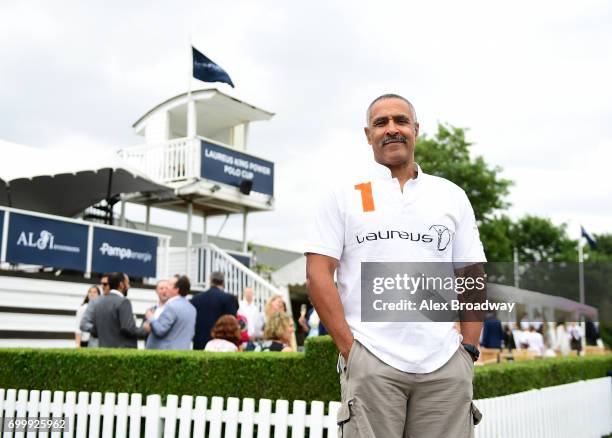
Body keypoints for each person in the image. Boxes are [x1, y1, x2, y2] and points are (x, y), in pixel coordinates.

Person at [305, 94, 486, 437]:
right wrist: (351, 350)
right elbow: (317, 273)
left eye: (400, 121)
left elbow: (471, 274)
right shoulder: (343, 194)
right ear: (367, 134)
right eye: (381, 123)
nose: (391, 129)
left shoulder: (450, 195)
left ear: (416, 129)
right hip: (372, 358)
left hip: (444, 364)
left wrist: (469, 349)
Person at [90, 272, 146, 348]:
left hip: (103, 353)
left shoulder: (99, 302)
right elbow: (129, 329)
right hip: (121, 354)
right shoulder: (124, 302)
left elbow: (94, 331)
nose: (129, 286)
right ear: (121, 285)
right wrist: (145, 329)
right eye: (127, 283)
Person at [143, 275, 196, 350]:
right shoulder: (192, 308)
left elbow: (160, 330)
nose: (166, 287)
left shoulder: (171, 306)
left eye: (169, 285)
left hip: (164, 355)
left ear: (176, 289)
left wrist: (151, 317)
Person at [190, 271, 238, 350]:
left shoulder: (196, 299)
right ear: (223, 282)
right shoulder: (228, 299)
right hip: (222, 347)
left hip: (199, 344)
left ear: (210, 281)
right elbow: (232, 323)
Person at [79, 274, 109, 348]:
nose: (92, 294)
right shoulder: (83, 307)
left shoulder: (106, 302)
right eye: (90, 292)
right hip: (89, 341)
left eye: (94, 292)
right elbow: (81, 325)